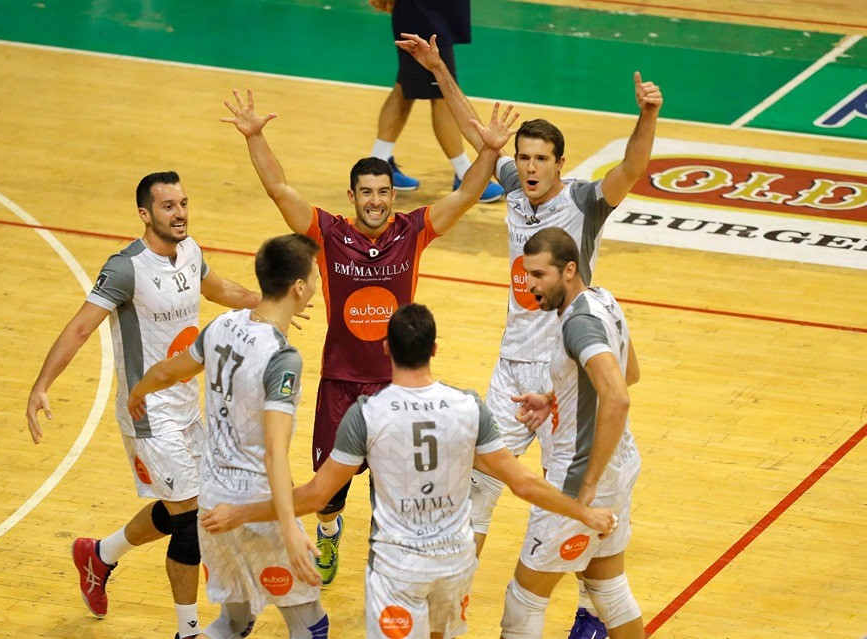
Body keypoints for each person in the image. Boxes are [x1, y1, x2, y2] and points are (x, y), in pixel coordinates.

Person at [397, 32, 661, 637]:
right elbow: (476, 131)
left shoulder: (586, 202)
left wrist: (646, 116)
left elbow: (632, 168)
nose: (531, 167)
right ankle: (450, 605)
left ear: (561, 163)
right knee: (479, 486)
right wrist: (437, 68)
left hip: (569, 369)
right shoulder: (514, 188)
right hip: (515, 369)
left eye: (542, 159)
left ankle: (585, 603)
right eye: (525, 157)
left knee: (577, 488)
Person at [221, 88, 518, 585]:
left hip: (394, 386)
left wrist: (489, 150)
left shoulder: (414, 231)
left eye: (383, 192)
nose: (375, 201)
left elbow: (467, 195)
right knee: (327, 495)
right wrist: (254, 137)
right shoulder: (327, 233)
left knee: (393, 487)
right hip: (340, 381)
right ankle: (329, 531)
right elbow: (279, 189)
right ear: (352, 196)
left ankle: (390, 561)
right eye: (366, 192)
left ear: (393, 196)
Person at [199, 303, 617, 639]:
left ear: (386, 348)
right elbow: (524, 484)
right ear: (434, 349)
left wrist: (241, 512)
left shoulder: (367, 415)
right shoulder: (469, 407)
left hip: (398, 569)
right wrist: (584, 513)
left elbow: (314, 496)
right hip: (453, 563)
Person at [25, 171, 260, 639]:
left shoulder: (190, 252)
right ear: (145, 214)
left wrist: (266, 302)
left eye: (184, 203)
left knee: (188, 508)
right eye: (169, 206)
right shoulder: (125, 268)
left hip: (188, 407)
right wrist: (41, 385)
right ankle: (187, 631)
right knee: (192, 521)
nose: (180, 213)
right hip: (148, 415)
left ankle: (100, 555)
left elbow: (218, 290)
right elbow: (80, 328)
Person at [127, 234, 329, 639]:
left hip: (212, 500)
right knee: (311, 627)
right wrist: (289, 528)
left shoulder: (222, 325)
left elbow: (169, 370)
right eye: (315, 276)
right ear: (299, 288)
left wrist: (138, 392)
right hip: (256, 506)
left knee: (233, 623)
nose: (317, 283)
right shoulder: (282, 358)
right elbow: (274, 452)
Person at [502, 227, 643, 639]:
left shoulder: (577, 324)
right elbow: (630, 371)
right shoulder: (603, 299)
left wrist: (589, 483)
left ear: (568, 270)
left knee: (524, 598)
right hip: (623, 462)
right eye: (526, 274)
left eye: (539, 275)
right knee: (608, 588)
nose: (530, 285)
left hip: (580, 477)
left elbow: (618, 397)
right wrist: (557, 396)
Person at [368, 0, 504, 202]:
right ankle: (465, 174)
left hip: (436, 9)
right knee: (443, 93)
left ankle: (378, 164)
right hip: (423, 11)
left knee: (405, 86)